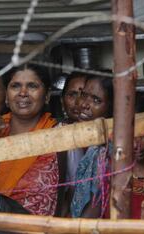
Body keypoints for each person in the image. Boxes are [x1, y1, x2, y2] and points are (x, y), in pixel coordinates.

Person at [0, 64, 59, 216]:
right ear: (6, 96)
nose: (23, 93)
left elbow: (73, 194)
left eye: (32, 86)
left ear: (47, 95)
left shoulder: (59, 134)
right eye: (15, 86)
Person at [69, 74, 113, 218]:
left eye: (96, 100)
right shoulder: (68, 136)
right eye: (84, 95)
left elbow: (92, 212)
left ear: (111, 108)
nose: (84, 104)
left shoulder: (105, 152)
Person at [57, 72, 88, 216]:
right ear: (62, 100)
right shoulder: (56, 133)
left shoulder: (112, 137)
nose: (79, 103)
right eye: (72, 95)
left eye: (85, 95)